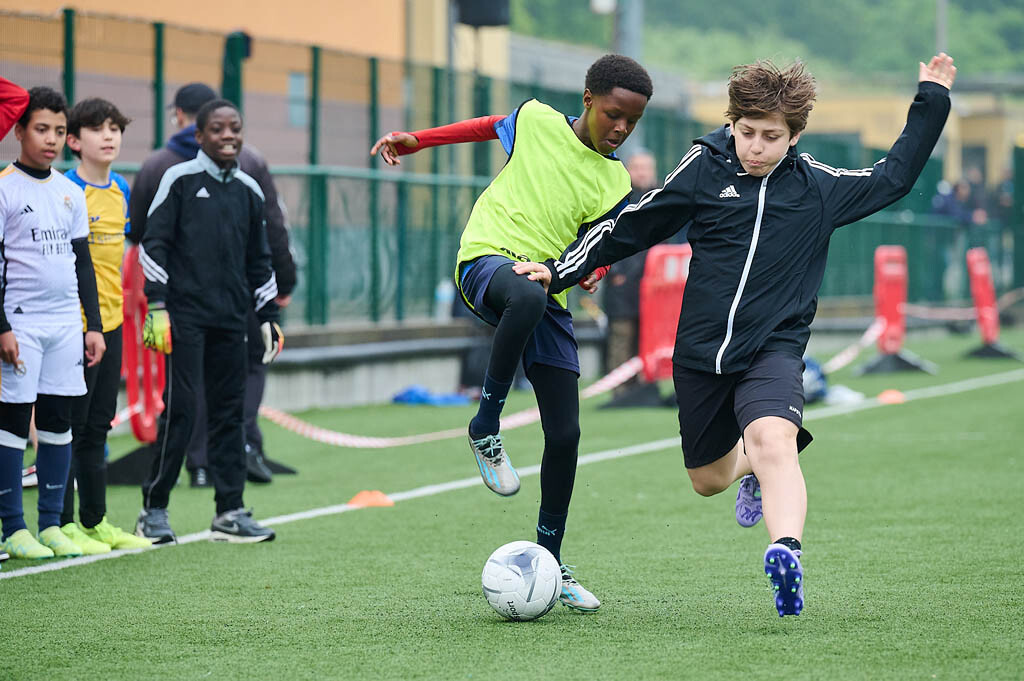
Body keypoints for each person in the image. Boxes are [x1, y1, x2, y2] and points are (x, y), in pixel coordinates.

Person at [515, 54, 957, 617]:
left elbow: (894, 177)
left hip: (773, 349)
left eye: (771, 137)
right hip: (700, 354)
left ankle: (786, 551)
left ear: (794, 137)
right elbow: (636, 222)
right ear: (732, 124)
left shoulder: (819, 189)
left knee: (775, 440)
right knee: (708, 479)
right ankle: (749, 467)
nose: (756, 147)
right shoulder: (704, 166)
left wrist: (931, 97)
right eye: (746, 133)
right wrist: (559, 270)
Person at [371, 54, 653, 612]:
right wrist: (419, 140)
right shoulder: (535, 119)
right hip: (487, 261)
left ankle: (550, 561)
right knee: (524, 295)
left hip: (547, 285)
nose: (621, 128)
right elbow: (484, 125)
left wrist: (592, 271)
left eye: (633, 121)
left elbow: (601, 242)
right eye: (614, 114)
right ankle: (485, 425)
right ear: (589, 100)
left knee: (566, 434)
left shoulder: (616, 180)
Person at [130, 83, 296, 487]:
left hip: (232, 304)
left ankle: (224, 489)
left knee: (225, 390)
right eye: (218, 128)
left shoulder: (242, 174)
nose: (228, 136)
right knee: (191, 395)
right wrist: (157, 303)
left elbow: (265, 240)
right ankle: (161, 497)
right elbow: (148, 240)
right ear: (201, 129)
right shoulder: (171, 172)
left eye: (234, 128)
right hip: (186, 307)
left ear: (179, 114)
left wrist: (271, 302)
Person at [0, 87, 106, 559]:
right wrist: (2, 327)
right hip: (20, 324)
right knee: (12, 422)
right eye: (41, 129)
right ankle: (12, 527)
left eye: (60, 131)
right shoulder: (4, 188)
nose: (51, 139)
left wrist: (93, 326)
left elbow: (83, 264)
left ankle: (50, 524)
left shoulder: (69, 192)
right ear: (19, 131)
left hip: (65, 325)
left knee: (59, 421)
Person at [59, 97, 152, 553]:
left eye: (115, 128)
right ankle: (59, 524)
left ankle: (94, 522)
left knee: (98, 426)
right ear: (74, 141)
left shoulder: (121, 189)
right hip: (73, 326)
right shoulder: (64, 190)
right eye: (98, 128)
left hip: (112, 324)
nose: (109, 136)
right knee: (67, 428)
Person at [602, 149, 658, 395]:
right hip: (622, 283)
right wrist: (615, 272)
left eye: (646, 168)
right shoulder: (617, 198)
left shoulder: (663, 197)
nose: (642, 173)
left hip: (653, 285)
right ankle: (619, 389)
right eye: (637, 168)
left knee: (647, 337)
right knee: (622, 335)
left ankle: (643, 386)